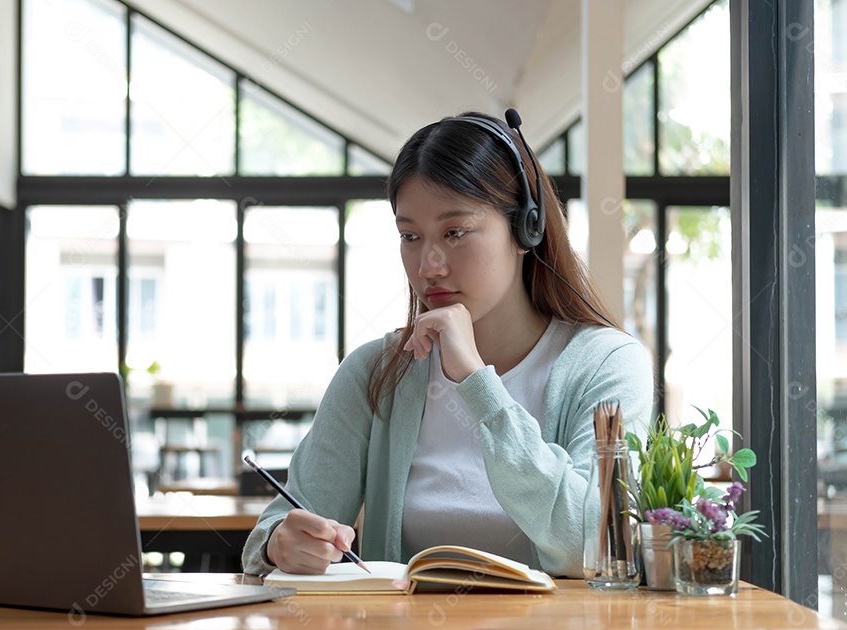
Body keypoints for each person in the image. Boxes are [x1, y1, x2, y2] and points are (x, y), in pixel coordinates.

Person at [242, 110, 653, 578]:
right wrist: (281, 545)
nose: (428, 265)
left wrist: (478, 383)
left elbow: (595, 545)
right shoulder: (375, 372)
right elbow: (276, 528)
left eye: (455, 232)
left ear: (527, 229)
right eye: (410, 236)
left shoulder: (608, 364)